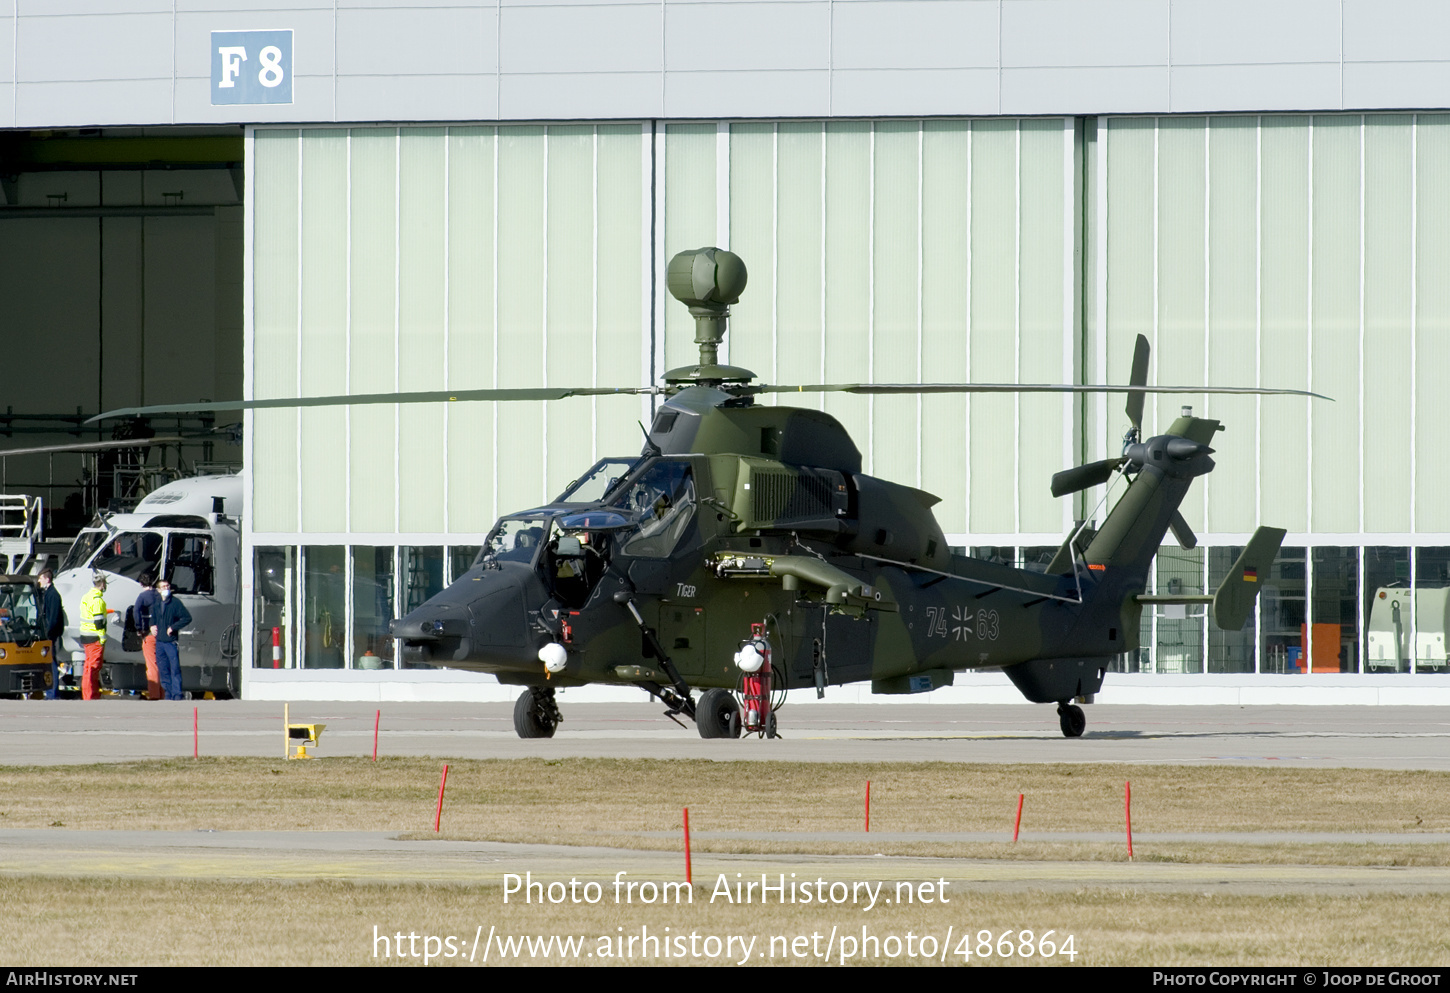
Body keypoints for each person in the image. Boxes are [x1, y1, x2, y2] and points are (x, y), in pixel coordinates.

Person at [149, 578, 192, 701]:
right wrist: (152, 626)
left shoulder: (175, 603)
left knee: (175, 668)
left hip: (171, 642)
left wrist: (173, 627)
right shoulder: (156, 604)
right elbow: (152, 617)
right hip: (160, 642)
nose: (166, 589)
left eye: (167, 586)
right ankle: (168, 693)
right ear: (158, 590)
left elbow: (186, 617)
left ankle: (177, 694)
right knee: (163, 669)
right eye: (163, 587)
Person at [78, 573, 108, 700]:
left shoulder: (86, 597)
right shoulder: (98, 600)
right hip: (94, 637)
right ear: (103, 584)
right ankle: (91, 695)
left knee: (87, 667)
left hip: (85, 635)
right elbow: (98, 622)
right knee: (93, 668)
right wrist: (103, 637)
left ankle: (88, 694)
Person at [133, 571, 162, 700]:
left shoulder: (143, 597)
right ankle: (163, 693)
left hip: (149, 635)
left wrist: (140, 628)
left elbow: (136, 612)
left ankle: (154, 694)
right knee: (162, 664)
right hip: (163, 635)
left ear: (141, 583)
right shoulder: (160, 596)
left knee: (152, 666)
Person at [37, 569, 64, 700]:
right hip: (50, 634)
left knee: (51, 662)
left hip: (51, 635)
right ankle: (50, 691)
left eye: (40, 578)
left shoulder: (52, 595)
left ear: (47, 579)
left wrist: (47, 633)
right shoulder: (48, 593)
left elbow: (53, 618)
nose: (39, 581)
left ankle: (52, 692)